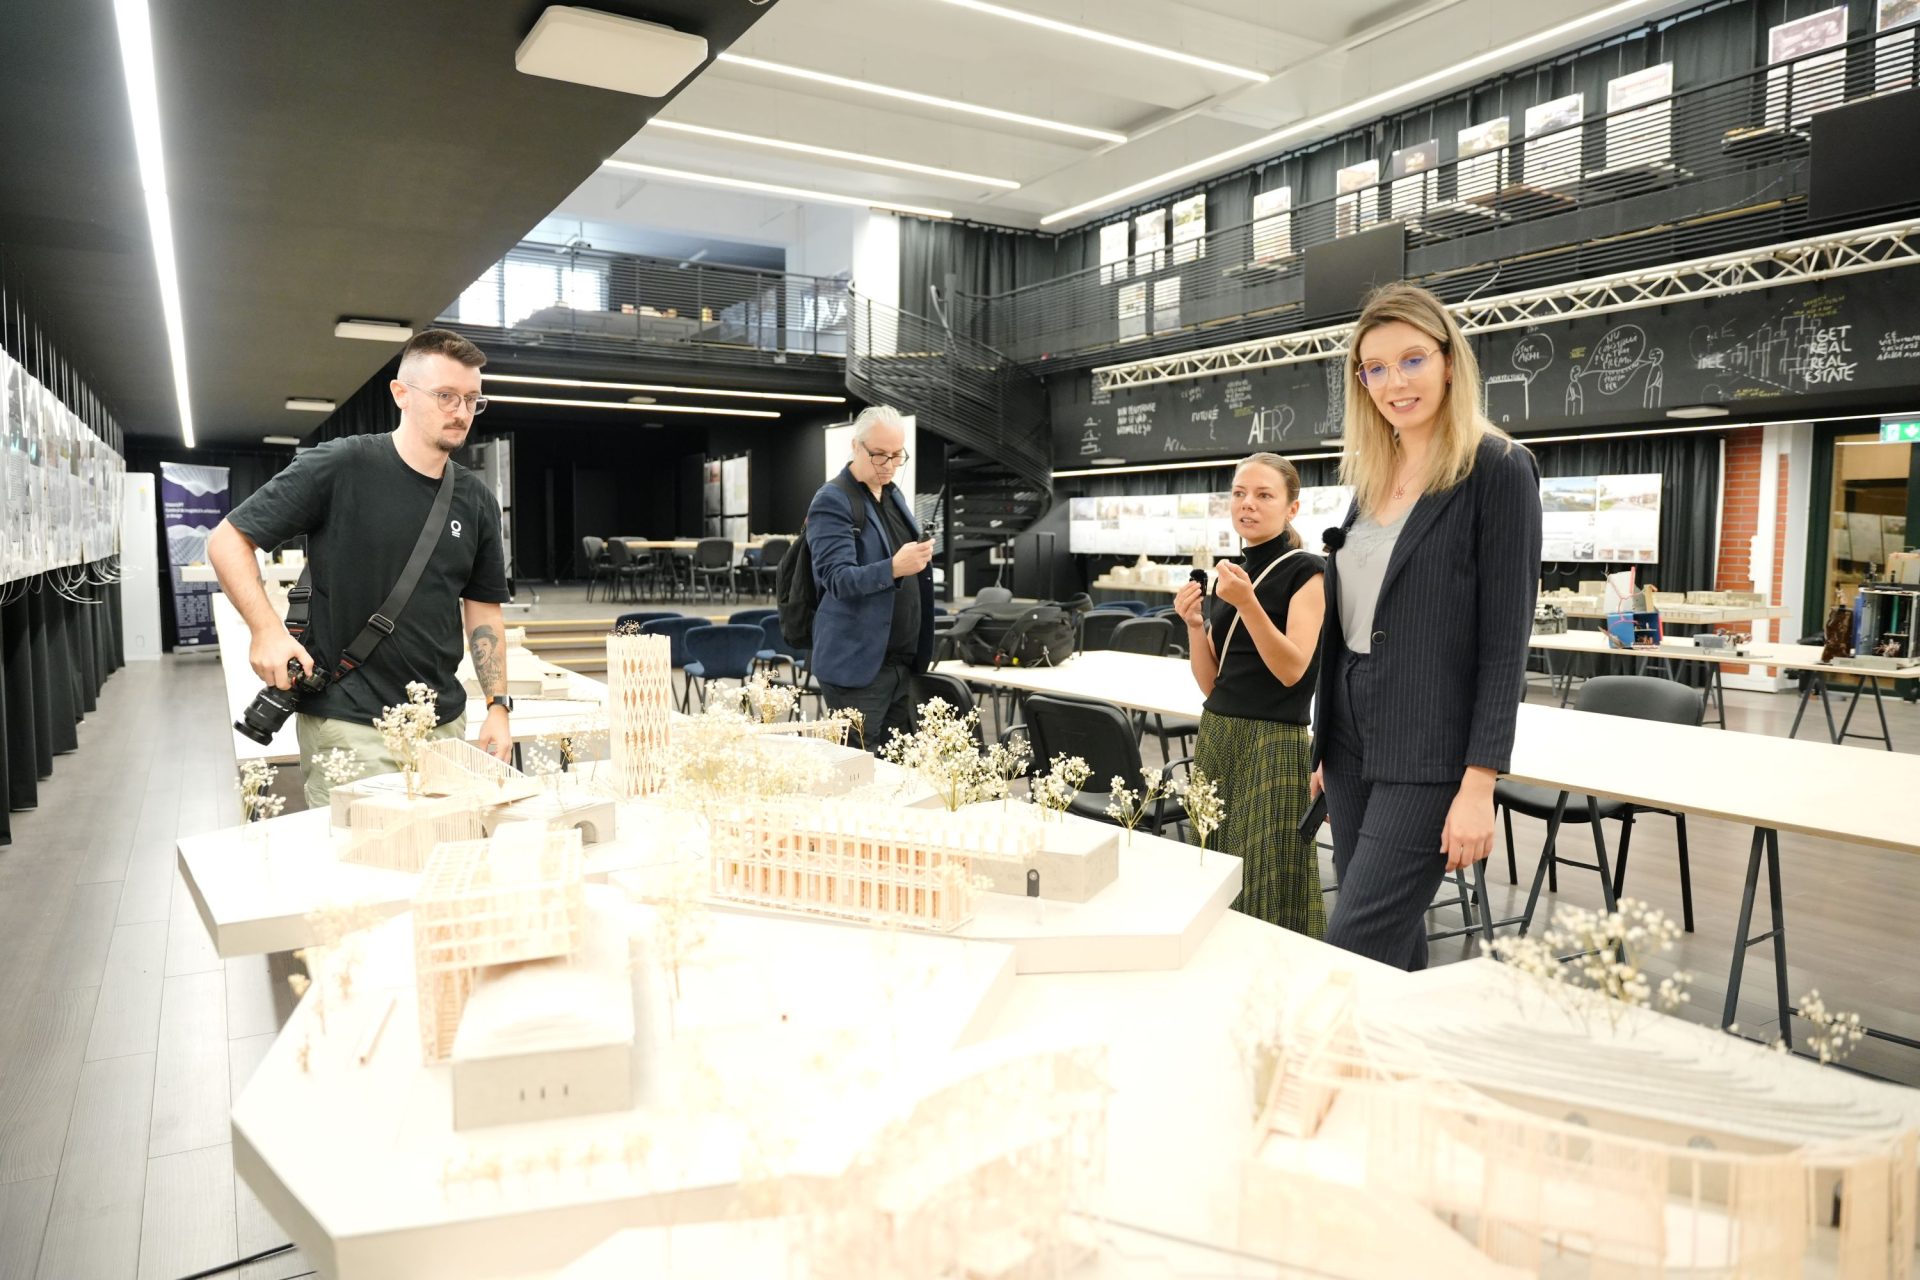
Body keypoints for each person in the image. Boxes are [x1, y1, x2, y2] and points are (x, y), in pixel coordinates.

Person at [1310, 283, 1542, 971]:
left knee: (1352, 946)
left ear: (1448, 361)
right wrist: (1325, 740)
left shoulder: (1498, 468)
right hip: (1349, 740)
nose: (1394, 382)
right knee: (1387, 947)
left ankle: (1321, 1047)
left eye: (1411, 359)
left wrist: (1480, 783)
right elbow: (1352, 621)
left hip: (1430, 746)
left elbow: (1505, 645)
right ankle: (1394, 1047)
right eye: (1375, 369)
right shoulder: (1372, 478)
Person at [209, 328, 513, 808]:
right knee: (360, 855)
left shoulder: (475, 499)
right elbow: (228, 540)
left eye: (472, 400)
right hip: (350, 724)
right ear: (401, 394)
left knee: (444, 849)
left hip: (444, 724)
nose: (461, 411)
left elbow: (483, 610)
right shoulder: (343, 465)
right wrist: (266, 631)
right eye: (446, 396)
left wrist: (498, 706)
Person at [1173, 453, 1326, 935]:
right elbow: (1213, 684)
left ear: (1292, 508)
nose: (1248, 504)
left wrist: (1248, 604)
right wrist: (1194, 625)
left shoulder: (1309, 572)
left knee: (1267, 878)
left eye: (1263, 495)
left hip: (1272, 742)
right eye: (1239, 494)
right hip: (1218, 733)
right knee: (1212, 868)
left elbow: (1292, 670)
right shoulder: (1234, 574)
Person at [805, 404, 935, 753]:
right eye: (879, 455)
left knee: (899, 768)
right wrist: (894, 567)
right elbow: (837, 578)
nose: (889, 465)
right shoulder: (832, 499)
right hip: (858, 666)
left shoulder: (893, 494)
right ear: (855, 446)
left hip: (901, 663)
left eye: (897, 455)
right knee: (857, 769)